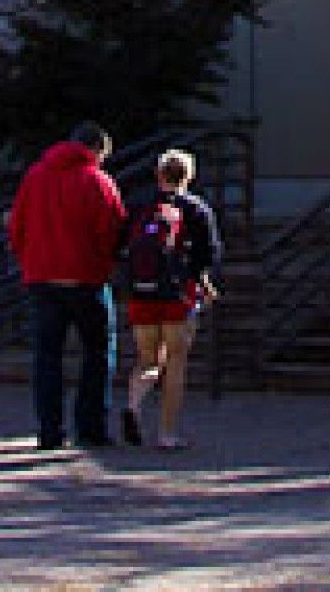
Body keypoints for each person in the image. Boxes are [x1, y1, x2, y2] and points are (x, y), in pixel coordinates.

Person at [6, 121, 126, 449]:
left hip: (43, 278)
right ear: (97, 150)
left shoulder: (35, 177)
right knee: (98, 353)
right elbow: (111, 230)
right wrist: (106, 265)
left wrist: (29, 261)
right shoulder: (98, 181)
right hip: (87, 279)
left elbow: (17, 226)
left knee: (47, 356)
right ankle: (91, 427)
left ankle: (50, 430)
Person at [119, 146, 224, 450]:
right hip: (179, 295)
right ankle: (167, 434)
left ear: (158, 174)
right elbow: (209, 253)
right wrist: (202, 281)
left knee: (148, 360)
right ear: (189, 176)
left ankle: (134, 405)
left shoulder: (140, 205)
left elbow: (121, 245)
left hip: (142, 292)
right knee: (175, 363)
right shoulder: (196, 209)